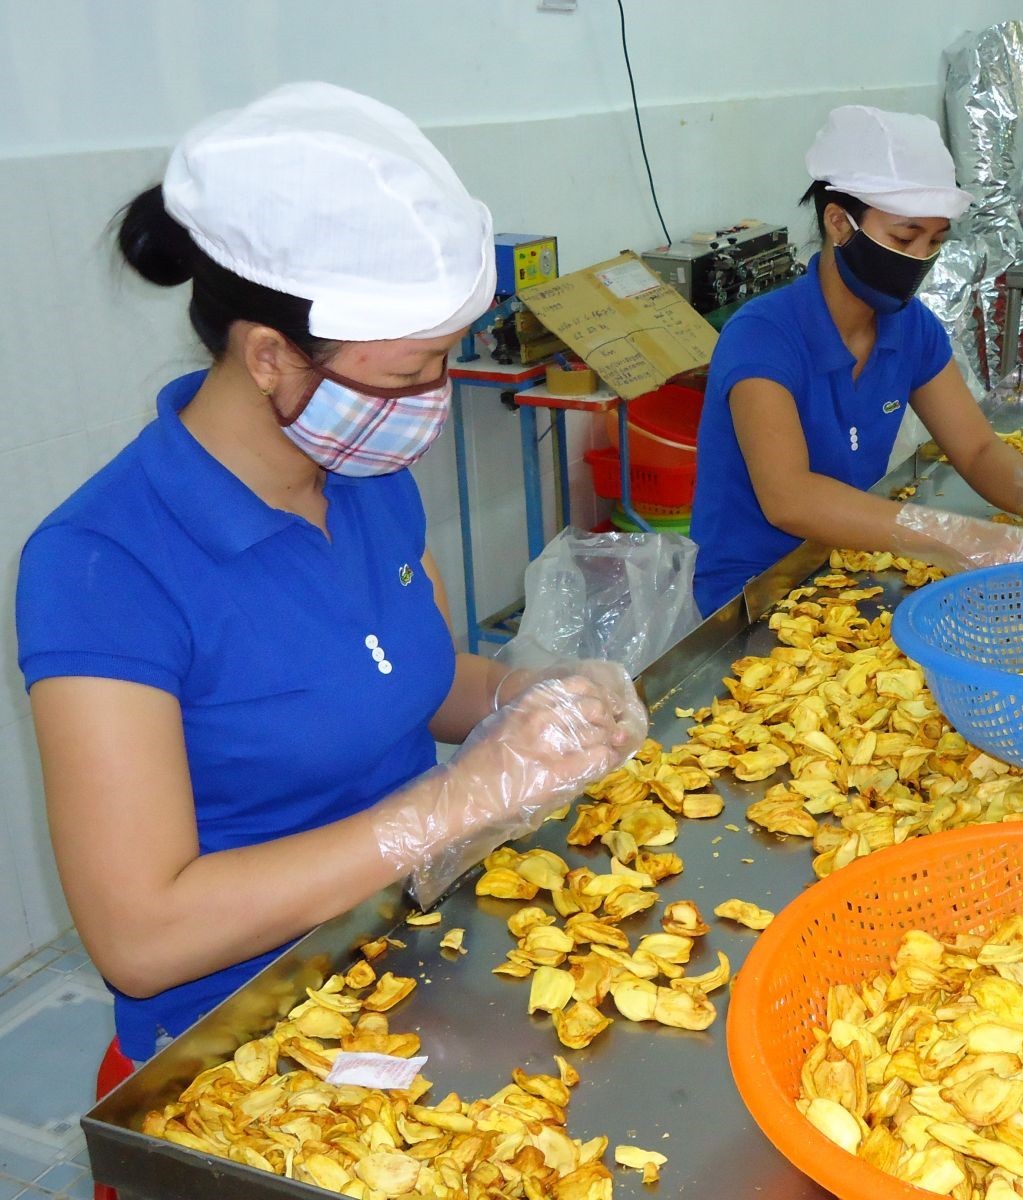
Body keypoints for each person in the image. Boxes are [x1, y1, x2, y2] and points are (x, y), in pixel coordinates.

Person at [14, 83, 645, 1107]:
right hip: (241, 1052)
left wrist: (532, 697)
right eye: (415, 369)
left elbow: (420, 680)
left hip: (402, 971)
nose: (435, 397)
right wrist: (447, 805)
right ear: (268, 355)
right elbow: (140, 935)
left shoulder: (364, 476)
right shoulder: (101, 566)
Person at [689, 106, 1023, 613]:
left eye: (934, 241)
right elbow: (790, 498)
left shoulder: (910, 328)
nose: (918, 259)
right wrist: (954, 536)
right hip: (753, 595)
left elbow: (976, 449)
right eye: (902, 237)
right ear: (838, 224)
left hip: (846, 571)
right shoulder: (763, 337)